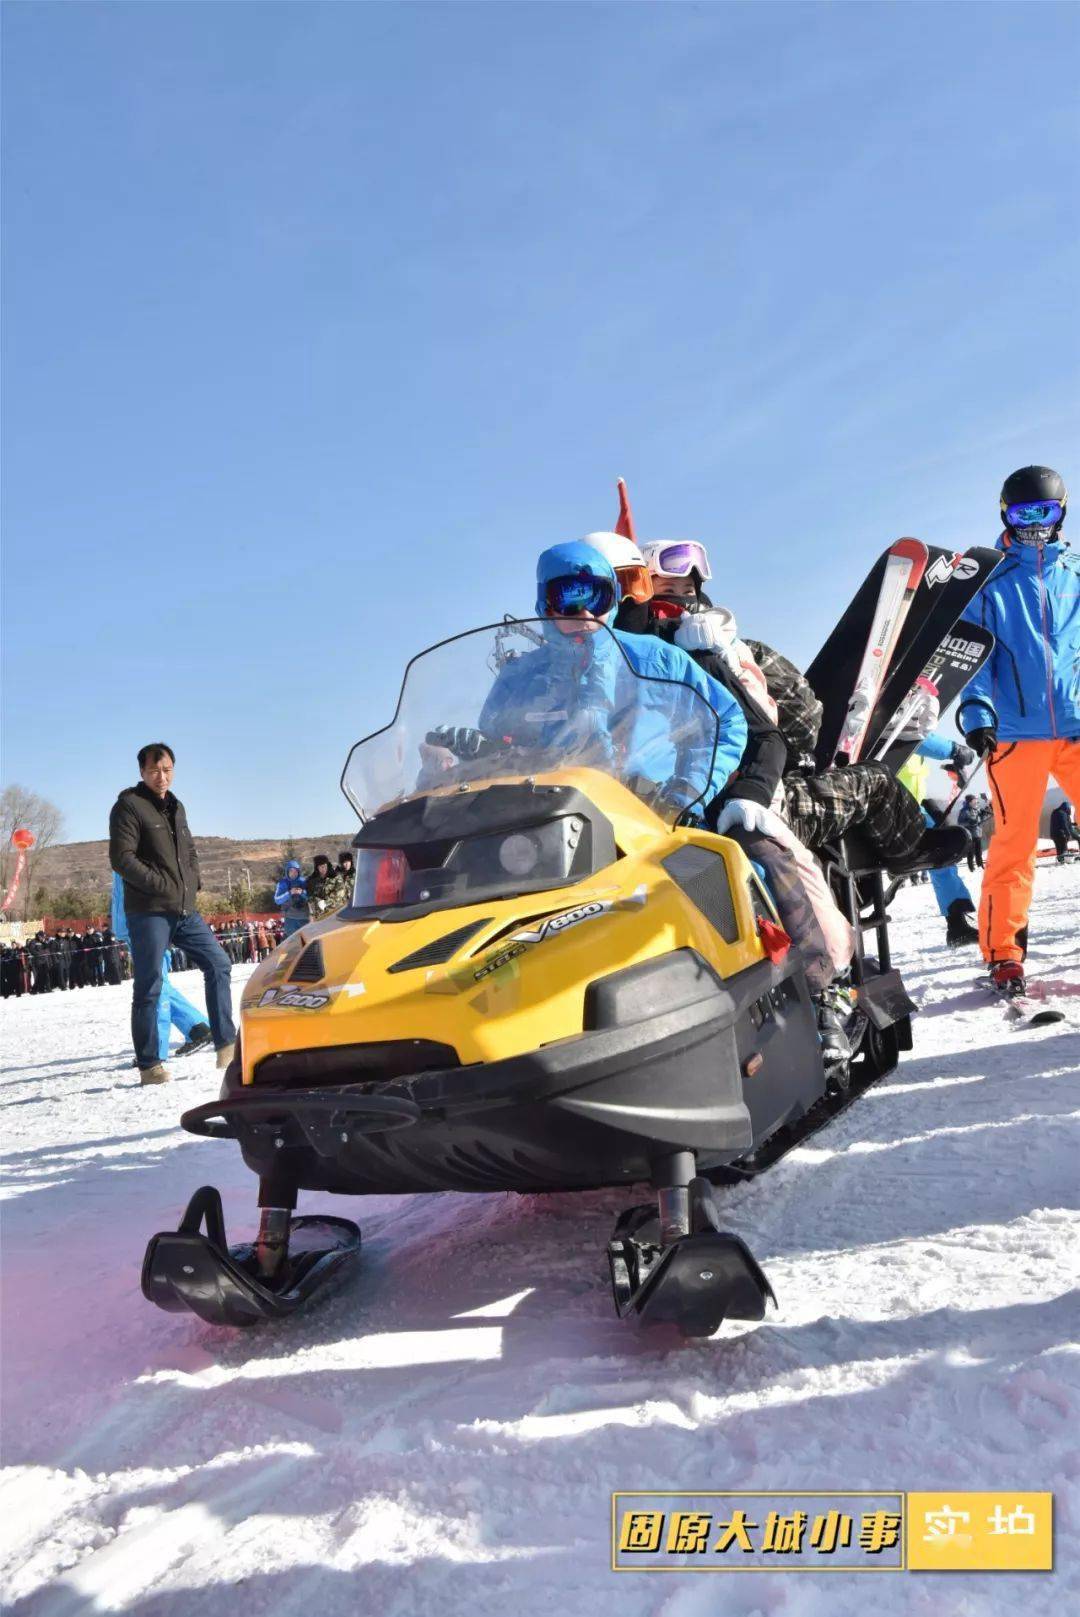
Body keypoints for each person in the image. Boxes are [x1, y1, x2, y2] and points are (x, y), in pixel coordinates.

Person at [472, 541, 748, 815]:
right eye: (570, 599)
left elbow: (725, 720)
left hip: (649, 819)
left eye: (598, 597)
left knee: (734, 858)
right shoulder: (522, 676)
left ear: (614, 598)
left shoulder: (655, 659)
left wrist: (686, 792)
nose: (586, 613)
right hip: (546, 818)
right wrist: (466, 751)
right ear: (546, 604)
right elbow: (496, 742)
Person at [958, 466, 1080, 994]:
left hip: (1076, 724)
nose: (1034, 524)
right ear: (1004, 513)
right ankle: (1004, 951)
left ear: (1062, 514)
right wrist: (979, 716)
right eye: (1022, 514)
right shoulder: (989, 581)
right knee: (1014, 844)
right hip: (1013, 734)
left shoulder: (1075, 573)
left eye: (1044, 513)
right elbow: (973, 659)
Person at [108, 742, 236, 1084]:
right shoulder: (128, 807)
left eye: (166, 770)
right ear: (142, 772)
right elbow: (121, 859)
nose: (161, 777)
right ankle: (150, 1065)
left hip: (184, 909)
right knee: (150, 984)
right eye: (153, 771)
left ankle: (227, 1043)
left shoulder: (177, 807)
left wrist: (193, 881)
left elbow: (189, 850)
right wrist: (160, 884)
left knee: (219, 964)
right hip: (149, 911)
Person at [111, 872, 212, 1061]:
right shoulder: (125, 848)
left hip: (145, 922)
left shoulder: (142, 849)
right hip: (134, 923)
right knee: (158, 982)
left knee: (156, 984)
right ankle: (196, 1026)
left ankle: (156, 1047)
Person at [307, 852, 350, 918]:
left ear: (328, 865)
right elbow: (310, 896)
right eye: (320, 867)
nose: (323, 868)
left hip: (336, 911)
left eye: (324, 866)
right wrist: (316, 905)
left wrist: (326, 902)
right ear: (317, 868)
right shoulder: (312, 880)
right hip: (320, 914)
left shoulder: (335, 877)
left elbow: (340, 893)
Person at [274, 858, 309, 937]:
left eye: (296, 871)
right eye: (291, 871)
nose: (294, 873)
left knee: (306, 942)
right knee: (292, 944)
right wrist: (289, 893)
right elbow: (277, 900)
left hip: (304, 918)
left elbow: (311, 897)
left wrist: (302, 892)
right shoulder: (283, 883)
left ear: (298, 872)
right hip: (290, 919)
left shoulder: (303, 882)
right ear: (287, 872)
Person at [958, 794, 988, 870]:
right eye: (973, 800)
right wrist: (969, 823)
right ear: (969, 802)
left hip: (977, 833)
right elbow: (960, 823)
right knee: (970, 851)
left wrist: (983, 815)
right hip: (969, 835)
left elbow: (979, 821)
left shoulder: (977, 809)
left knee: (979, 851)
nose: (975, 802)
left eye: (976, 800)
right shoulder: (964, 811)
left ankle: (980, 864)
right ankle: (971, 866)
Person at [1050, 798, 1079, 864]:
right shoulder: (1062, 813)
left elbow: (1062, 823)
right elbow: (1064, 824)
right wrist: (1068, 833)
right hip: (1061, 834)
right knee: (1063, 848)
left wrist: (1073, 824)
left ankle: (1061, 860)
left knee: (1059, 848)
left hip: (1054, 834)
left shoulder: (1055, 812)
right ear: (1067, 808)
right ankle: (1065, 860)